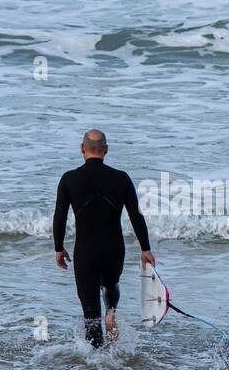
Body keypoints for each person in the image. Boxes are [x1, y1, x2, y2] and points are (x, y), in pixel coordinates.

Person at [53, 129, 155, 346]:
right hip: (113, 250)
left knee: (90, 314)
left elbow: (59, 216)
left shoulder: (69, 179)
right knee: (111, 283)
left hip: (85, 252)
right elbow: (136, 215)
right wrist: (145, 249)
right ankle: (111, 312)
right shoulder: (121, 178)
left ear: (82, 148)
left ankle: (98, 365)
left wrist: (58, 248)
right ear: (106, 150)